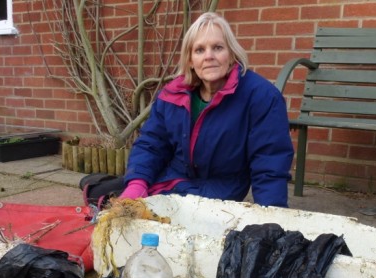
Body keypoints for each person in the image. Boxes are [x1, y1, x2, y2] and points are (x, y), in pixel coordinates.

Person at [80, 12, 294, 208]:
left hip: (217, 192)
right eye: (200, 50)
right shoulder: (173, 94)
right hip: (173, 178)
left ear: (231, 54)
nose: (208, 56)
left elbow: (269, 163)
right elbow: (152, 144)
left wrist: (270, 217)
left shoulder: (262, 97)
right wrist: (137, 183)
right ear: (191, 60)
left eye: (218, 48)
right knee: (99, 192)